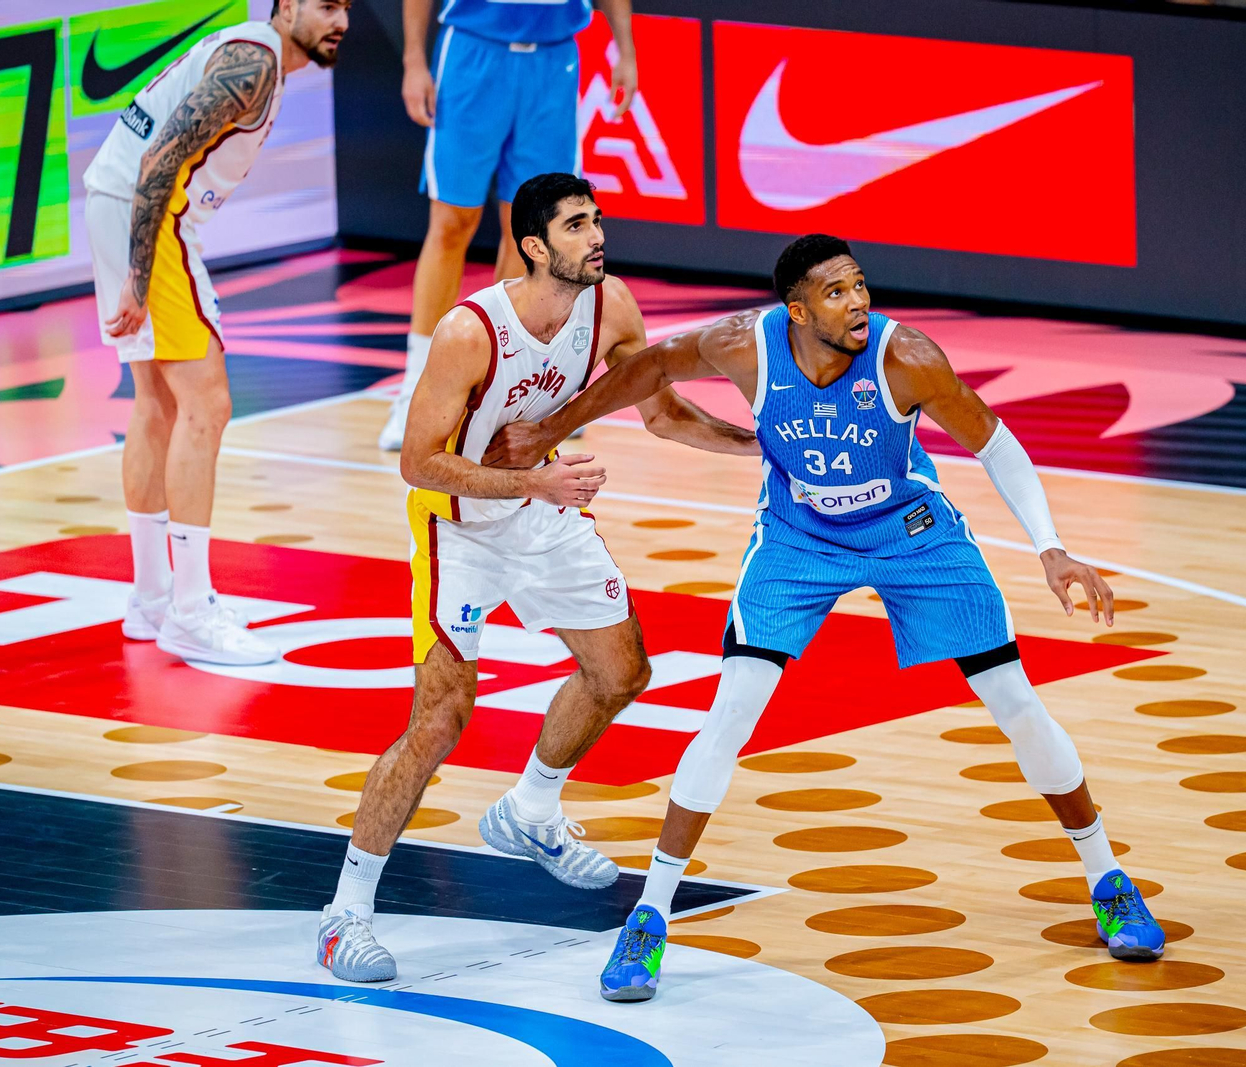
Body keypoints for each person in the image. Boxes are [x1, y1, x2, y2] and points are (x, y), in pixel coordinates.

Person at [482, 234, 1168, 1002]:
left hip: (911, 529)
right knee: (730, 715)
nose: (859, 304)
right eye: (837, 294)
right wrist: (549, 429)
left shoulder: (907, 357)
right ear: (797, 311)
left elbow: (996, 443)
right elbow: (647, 368)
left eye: (861, 286)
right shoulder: (744, 344)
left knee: (1015, 700)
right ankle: (651, 916)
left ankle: (1107, 875)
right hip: (799, 534)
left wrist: (1052, 549)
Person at [316, 174, 756, 984]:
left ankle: (531, 808)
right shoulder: (469, 331)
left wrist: (758, 443)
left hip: (541, 506)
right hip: (459, 525)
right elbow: (419, 465)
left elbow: (661, 411)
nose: (597, 236)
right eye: (577, 224)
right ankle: (345, 915)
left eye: (597, 220)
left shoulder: (611, 306)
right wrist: (531, 483)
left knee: (621, 671)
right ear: (531, 245)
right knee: (440, 719)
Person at [83, 0, 349, 666]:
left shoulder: (257, 57)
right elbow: (160, 160)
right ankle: (191, 611)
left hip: (118, 202)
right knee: (207, 406)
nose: (339, 19)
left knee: (158, 406)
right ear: (286, 7)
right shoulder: (252, 62)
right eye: (325, 5)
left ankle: (151, 598)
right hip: (151, 214)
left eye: (347, 6)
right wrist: (140, 278)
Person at [377, 0, 639, 451]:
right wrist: (414, 60)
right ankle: (415, 393)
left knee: (530, 235)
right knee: (451, 224)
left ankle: (518, 391)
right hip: (474, 53)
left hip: (554, 58)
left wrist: (626, 50)